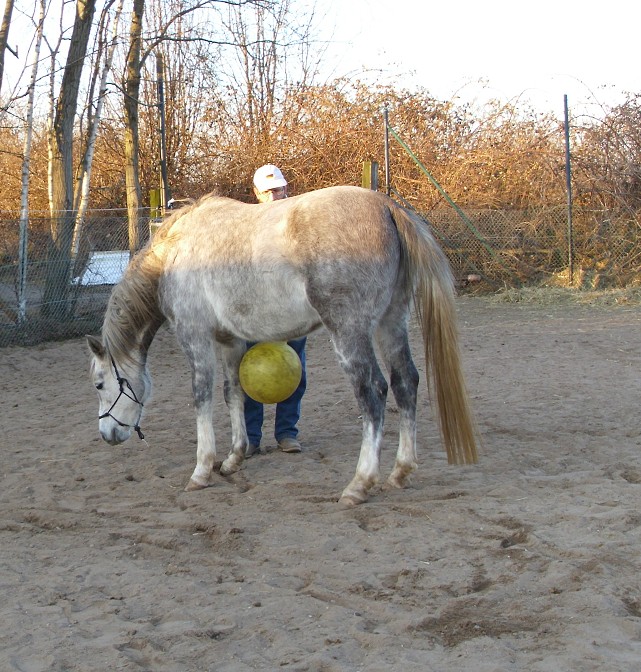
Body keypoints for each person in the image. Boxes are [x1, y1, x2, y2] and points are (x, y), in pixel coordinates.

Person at [245, 164, 307, 457]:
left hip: (293, 310)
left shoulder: (300, 226)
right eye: (268, 191)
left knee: (296, 369)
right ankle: (250, 437)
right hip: (256, 312)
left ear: (287, 189)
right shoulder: (245, 228)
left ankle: (286, 433)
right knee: (248, 371)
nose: (275, 196)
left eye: (279, 189)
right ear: (257, 194)